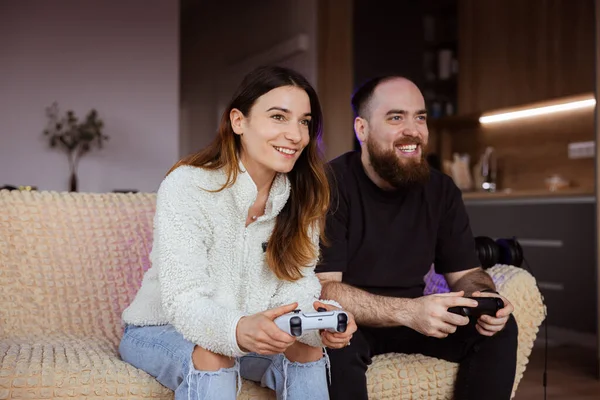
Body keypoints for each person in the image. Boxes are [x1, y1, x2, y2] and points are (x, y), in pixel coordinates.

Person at [119, 65, 357, 400]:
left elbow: (299, 286)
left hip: (250, 331)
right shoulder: (188, 185)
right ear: (238, 121)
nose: (296, 135)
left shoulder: (301, 196)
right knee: (214, 353)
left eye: (304, 122)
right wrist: (235, 329)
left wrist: (320, 323)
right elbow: (183, 301)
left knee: (307, 351)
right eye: (279, 117)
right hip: (163, 329)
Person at [315, 75, 518, 400]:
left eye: (420, 117)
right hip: (355, 323)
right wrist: (410, 311)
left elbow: (465, 274)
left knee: (499, 328)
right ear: (362, 129)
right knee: (331, 336)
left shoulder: (441, 190)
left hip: (416, 321)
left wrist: (483, 299)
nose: (413, 130)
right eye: (396, 117)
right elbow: (325, 289)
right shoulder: (330, 184)